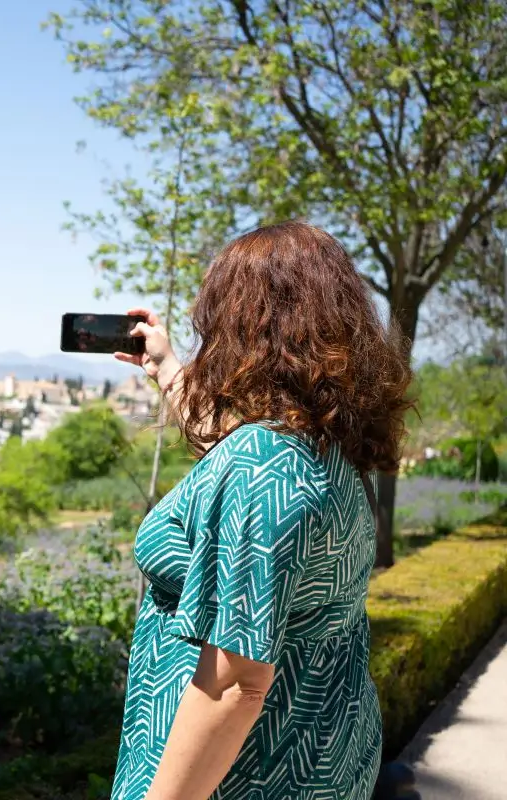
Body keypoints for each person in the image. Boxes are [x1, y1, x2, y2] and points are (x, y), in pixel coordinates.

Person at [110, 221, 414, 799]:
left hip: (242, 777)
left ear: (242, 326)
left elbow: (235, 687)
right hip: (325, 753)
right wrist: (169, 370)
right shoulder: (324, 445)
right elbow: (232, 445)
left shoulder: (259, 463)